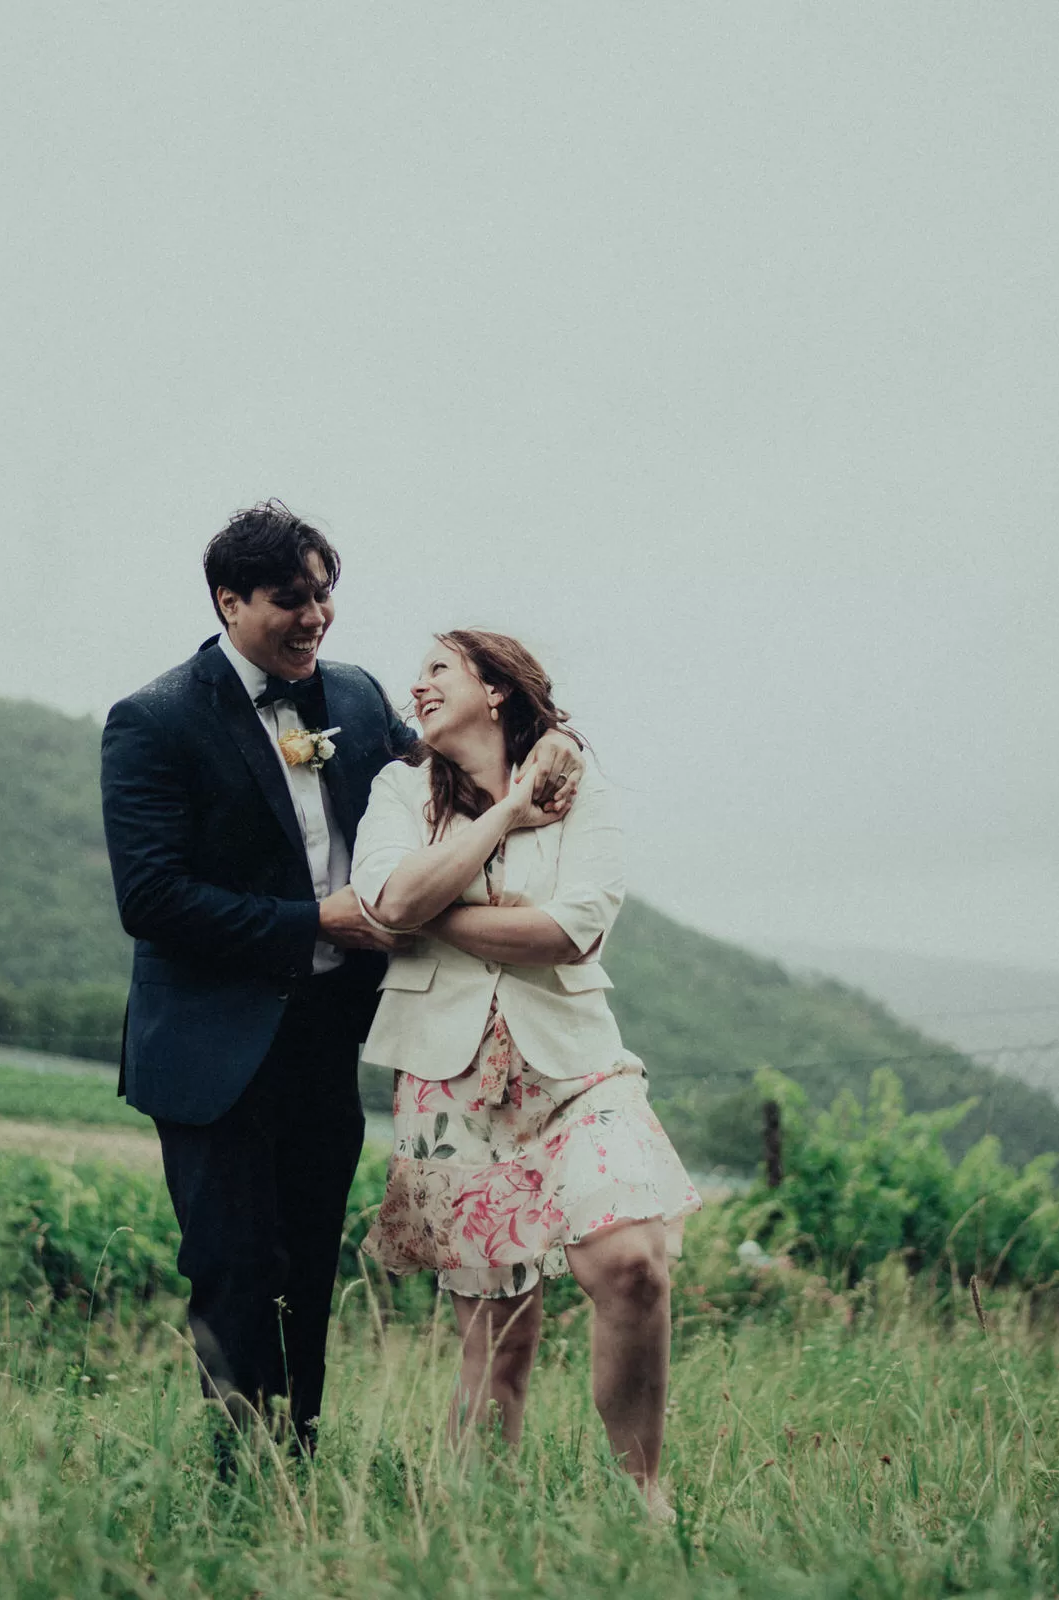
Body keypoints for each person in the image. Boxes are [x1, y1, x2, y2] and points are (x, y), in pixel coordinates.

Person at [98, 503, 585, 1463]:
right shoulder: (152, 721)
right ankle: (243, 1475)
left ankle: (299, 1463)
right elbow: (151, 899)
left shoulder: (357, 698)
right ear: (229, 600)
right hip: (211, 1050)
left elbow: (459, 769)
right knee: (235, 1266)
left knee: (308, 1264)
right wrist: (310, 922)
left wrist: (554, 744)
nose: (317, 616)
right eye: (292, 599)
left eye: (326, 594)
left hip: (327, 1042)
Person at [354, 629, 698, 1519]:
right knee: (498, 1338)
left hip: (575, 1069)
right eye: (417, 672)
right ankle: (481, 1527)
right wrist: (502, 821)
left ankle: (643, 1498)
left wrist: (433, 912)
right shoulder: (399, 789)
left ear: (496, 688)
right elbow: (386, 899)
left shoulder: (579, 787)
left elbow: (572, 929)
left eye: (439, 667)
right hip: (448, 1083)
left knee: (632, 1264)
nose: (417, 684)